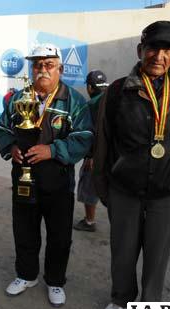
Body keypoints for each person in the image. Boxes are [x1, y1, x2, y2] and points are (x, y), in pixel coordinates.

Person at [93, 21, 170, 309]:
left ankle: (149, 304)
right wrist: (104, 186)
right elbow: (103, 141)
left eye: (167, 48)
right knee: (123, 253)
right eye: (152, 47)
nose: (159, 55)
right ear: (140, 49)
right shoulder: (118, 90)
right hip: (124, 189)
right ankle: (121, 299)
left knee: (158, 256)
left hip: (169, 193)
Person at [0, 43, 93, 307]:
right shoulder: (18, 99)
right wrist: (11, 146)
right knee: (24, 230)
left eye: (49, 65)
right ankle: (26, 275)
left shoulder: (74, 100)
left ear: (60, 69)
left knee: (59, 236)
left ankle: (55, 281)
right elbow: (1, 128)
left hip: (58, 182)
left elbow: (84, 138)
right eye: (37, 65)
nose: (42, 70)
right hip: (23, 180)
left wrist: (52, 150)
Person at [74, 70, 108, 232]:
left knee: (89, 186)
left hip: (97, 155)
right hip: (115, 155)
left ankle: (89, 222)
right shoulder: (111, 98)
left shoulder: (92, 105)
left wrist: (91, 156)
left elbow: (92, 133)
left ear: (89, 87)